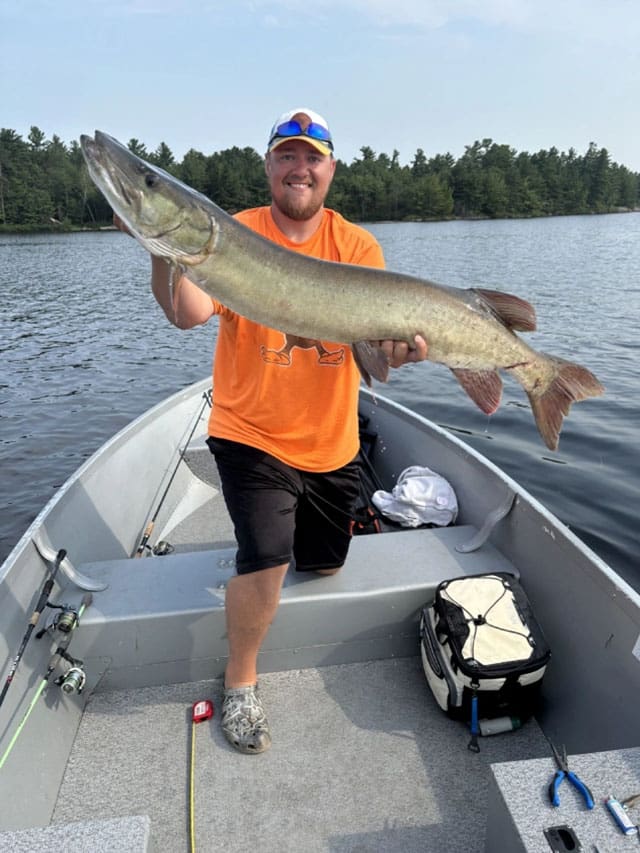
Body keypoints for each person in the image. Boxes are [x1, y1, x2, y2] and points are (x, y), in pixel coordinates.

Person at [120, 108, 427, 754]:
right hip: (249, 432)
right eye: (287, 155)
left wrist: (395, 352)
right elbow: (186, 312)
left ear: (330, 170)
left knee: (324, 560)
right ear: (269, 166)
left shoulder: (357, 247)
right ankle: (240, 681)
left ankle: (291, 541)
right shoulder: (231, 235)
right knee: (268, 553)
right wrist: (159, 252)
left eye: (312, 156)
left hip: (330, 443)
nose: (300, 167)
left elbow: (376, 346)